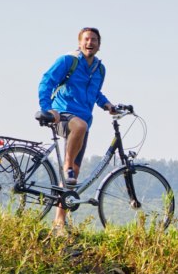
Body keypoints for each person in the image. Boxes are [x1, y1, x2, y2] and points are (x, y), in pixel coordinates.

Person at [36, 27, 118, 228]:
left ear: (99, 45)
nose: (90, 43)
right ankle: (67, 164)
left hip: (83, 119)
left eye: (94, 40)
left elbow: (96, 92)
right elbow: (47, 81)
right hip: (62, 114)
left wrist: (107, 104)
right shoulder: (68, 61)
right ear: (80, 43)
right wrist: (47, 108)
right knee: (77, 136)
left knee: (73, 177)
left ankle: (59, 222)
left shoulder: (99, 69)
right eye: (87, 39)